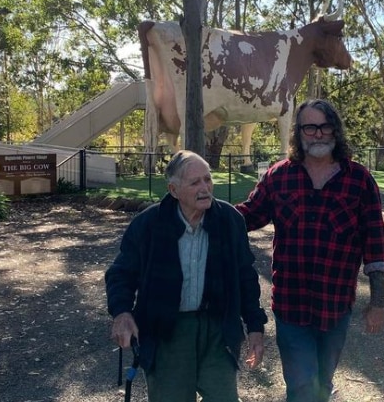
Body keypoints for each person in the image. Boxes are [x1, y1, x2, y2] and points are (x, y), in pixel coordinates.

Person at [235, 99, 384, 402]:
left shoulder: (359, 180)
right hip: (291, 305)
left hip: (336, 305)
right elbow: (247, 216)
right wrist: (201, 209)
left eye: (324, 126)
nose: (317, 134)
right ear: (299, 132)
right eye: (310, 127)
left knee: (322, 380)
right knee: (301, 385)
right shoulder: (279, 177)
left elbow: (376, 244)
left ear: (335, 130)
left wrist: (378, 303)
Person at [106, 150, 268, 402]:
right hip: (167, 331)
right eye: (195, 182)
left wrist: (255, 327)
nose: (205, 188)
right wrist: (122, 312)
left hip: (217, 330)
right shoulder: (149, 224)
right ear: (173, 190)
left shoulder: (229, 221)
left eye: (208, 179)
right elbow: (121, 274)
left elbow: (246, 277)